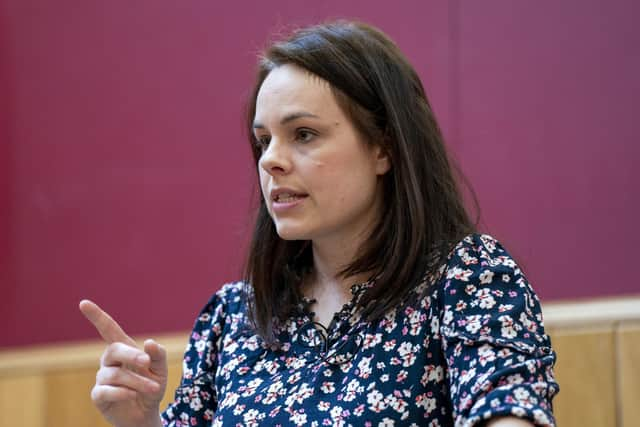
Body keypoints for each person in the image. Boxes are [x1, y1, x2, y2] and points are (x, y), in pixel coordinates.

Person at [80, 20, 559, 427]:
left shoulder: (469, 278)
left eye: (303, 134)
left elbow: (509, 411)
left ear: (384, 148)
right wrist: (142, 423)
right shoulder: (233, 317)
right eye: (264, 140)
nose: (271, 162)